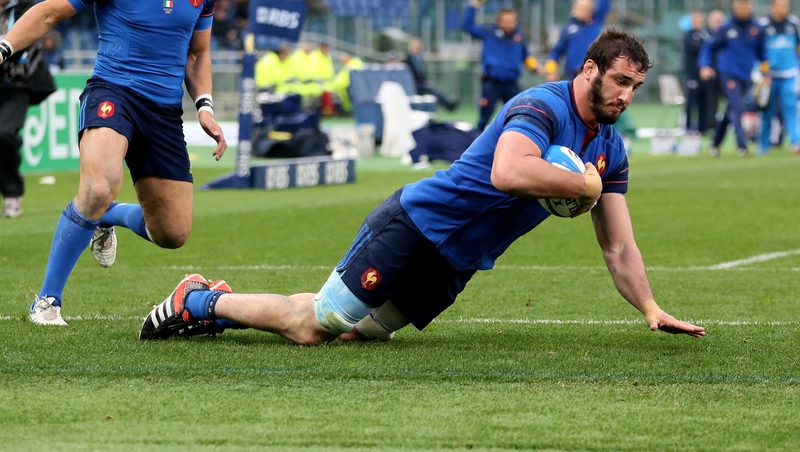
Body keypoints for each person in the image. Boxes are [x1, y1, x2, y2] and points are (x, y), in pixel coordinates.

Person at [139, 30, 706, 345]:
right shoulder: (541, 105)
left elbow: (618, 245)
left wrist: (650, 307)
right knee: (319, 324)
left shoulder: (610, 148)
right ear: (590, 70)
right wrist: (581, 184)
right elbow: (508, 172)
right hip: (418, 225)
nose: (627, 96)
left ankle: (217, 306)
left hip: (457, 261)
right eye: (621, 82)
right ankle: (199, 301)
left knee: (356, 337)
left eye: (635, 87)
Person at [0, 0, 227, 325]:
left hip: (163, 112)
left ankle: (106, 215)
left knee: (172, 233)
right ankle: (47, 301)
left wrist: (204, 106)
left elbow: (197, 53)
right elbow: (48, 12)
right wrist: (3, 48)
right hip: (113, 92)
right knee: (98, 187)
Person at [0, 0, 56, 219]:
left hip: (18, 85)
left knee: (4, 134)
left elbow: (28, 36)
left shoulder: (25, 7)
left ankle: (12, 194)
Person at [699, 0, 769, 157]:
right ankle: (742, 146)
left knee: (731, 109)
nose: (746, 9)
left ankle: (715, 143)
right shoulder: (726, 27)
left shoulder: (756, 28)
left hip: (746, 76)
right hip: (728, 74)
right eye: (742, 6)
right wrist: (705, 65)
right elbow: (709, 47)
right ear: (735, 8)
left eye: (748, 6)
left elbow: (763, 53)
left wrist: (766, 72)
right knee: (738, 106)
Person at [462, 0, 539, 131]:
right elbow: (467, 26)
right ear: (499, 21)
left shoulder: (519, 35)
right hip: (492, 83)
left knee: (520, 115)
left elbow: (525, 55)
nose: (510, 24)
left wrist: (535, 68)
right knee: (484, 117)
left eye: (512, 21)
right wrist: (473, 7)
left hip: (511, 84)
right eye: (507, 21)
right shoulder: (489, 32)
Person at [757, 0, 800, 155]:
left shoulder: (794, 24)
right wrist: (763, 72)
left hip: (789, 74)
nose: (785, 9)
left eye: (786, 5)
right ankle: (763, 146)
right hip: (770, 77)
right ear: (772, 6)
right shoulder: (763, 25)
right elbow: (759, 51)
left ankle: (797, 141)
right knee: (767, 111)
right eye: (781, 5)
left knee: (791, 108)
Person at [544, 0, 611, 82]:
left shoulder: (596, 23)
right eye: (583, 9)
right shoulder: (567, 29)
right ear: (575, 9)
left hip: (594, 74)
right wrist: (550, 71)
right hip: (573, 75)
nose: (587, 12)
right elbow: (556, 52)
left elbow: (604, 4)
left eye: (589, 9)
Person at [404, 38, 458, 111]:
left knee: (432, 88)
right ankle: (447, 103)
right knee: (431, 89)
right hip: (415, 85)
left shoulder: (419, 58)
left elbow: (422, 73)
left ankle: (447, 103)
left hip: (422, 83)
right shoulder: (407, 60)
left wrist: (426, 81)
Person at [682, 11, 713, 134]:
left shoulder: (706, 34)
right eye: (697, 21)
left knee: (703, 101)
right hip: (692, 74)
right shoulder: (688, 36)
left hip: (704, 76)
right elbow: (693, 49)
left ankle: (702, 127)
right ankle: (688, 126)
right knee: (690, 102)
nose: (699, 23)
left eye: (701, 21)